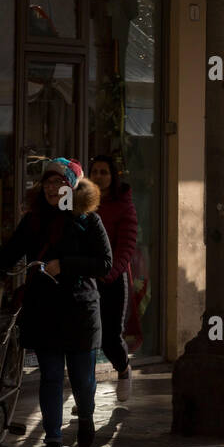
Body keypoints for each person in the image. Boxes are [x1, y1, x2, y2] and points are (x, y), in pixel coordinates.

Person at [0, 157, 111, 447]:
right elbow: (8, 256)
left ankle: (85, 416)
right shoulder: (34, 220)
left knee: (83, 379)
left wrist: (65, 265)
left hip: (80, 310)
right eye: (47, 182)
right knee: (51, 376)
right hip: (45, 309)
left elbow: (104, 264)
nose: (51, 188)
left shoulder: (88, 221)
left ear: (71, 186)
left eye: (58, 182)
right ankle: (53, 440)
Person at [89, 155, 138, 401]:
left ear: (113, 176)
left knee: (110, 338)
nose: (99, 176)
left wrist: (109, 272)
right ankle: (84, 396)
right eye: (95, 172)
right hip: (86, 277)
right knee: (85, 339)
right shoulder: (84, 201)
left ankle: (123, 369)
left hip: (113, 280)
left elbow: (127, 245)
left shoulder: (123, 204)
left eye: (104, 172)